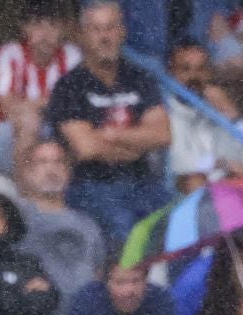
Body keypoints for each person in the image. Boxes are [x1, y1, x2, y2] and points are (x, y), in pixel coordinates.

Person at [45, 0, 173, 245]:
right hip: (92, 186)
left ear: (123, 31)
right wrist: (137, 142)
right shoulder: (69, 86)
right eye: (96, 29)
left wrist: (112, 135)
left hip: (142, 182)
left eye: (111, 28)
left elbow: (163, 135)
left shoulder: (139, 78)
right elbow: (86, 148)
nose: (105, 37)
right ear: (82, 35)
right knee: (124, 230)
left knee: (180, 222)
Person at [15, 138, 108, 315]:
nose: (51, 169)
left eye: (58, 162)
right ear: (28, 172)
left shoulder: (89, 224)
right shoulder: (14, 220)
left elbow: (98, 272)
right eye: (42, 162)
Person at [0, 0, 79, 176]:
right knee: (29, 119)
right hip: (10, 136)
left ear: (63, 30)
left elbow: (77, 106)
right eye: (37, 25)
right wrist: (48, 105)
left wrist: (35, 105)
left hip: (60, 130)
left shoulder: (72, 56)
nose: (45, 33)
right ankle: (25, 189)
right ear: (24, 28)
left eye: (53, 25)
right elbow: (7, 109)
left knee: (74, 128)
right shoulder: (10, 54)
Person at [165, 38, 243, 192]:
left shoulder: (218, 107)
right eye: (185, 69)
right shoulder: (164, 111)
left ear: (210, 73)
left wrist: (233, 115)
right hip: (181, 195)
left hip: (226, 190)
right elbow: (180, 164)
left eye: (201, 69)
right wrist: (223, 164)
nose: (194, 76)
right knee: (195, 181)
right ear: (171, 73)